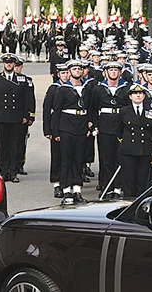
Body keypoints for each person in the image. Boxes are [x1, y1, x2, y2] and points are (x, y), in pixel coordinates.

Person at [51, 59, 92, 205]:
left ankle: (77, 189)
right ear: (69, 72)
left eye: (79, 69)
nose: (77, 72)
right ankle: (67, 189)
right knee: (66, 159)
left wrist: (89, 126)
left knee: (78, 159)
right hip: (66, 126)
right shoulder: (62, 90)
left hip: (81, 126)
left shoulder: (86, 89)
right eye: (74, 69)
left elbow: (90, 109)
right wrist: (55, 131)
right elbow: (56, 111)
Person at [115, 83, 152, 198]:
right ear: (130, 96)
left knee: (142, 182)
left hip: (144, 151)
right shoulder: (124, 111)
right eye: (135, 93)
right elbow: (118, 130)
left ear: (144, 96)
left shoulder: (150, 112)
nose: (138, 95)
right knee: (129, 182)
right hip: (128, 152)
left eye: (140, 93)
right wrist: (125, 142)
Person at [0, 53, 30, 183]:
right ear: (4, 64)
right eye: (7, 63)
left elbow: (26, 99)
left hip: (16, 117)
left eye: (11, 63)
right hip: (1, 116)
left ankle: (13, 173)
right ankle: (3, 172)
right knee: (2, 146)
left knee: (14, 146)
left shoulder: (21, 80)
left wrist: (26, 115)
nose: (9, 65)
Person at [91, 61, 129, 194]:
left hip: (121, 126)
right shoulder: (98, 89)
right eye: (110, 70)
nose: (113, 72)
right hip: (105, 125)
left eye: (116, 70)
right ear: (105, 72)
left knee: (120, 157)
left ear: (120, 72)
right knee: (106, 158)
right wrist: (95, 125)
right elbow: (93, 108)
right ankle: (107, 186)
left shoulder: (126, 88)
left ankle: (118, 187)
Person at [43, 62, 70, 198]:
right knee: (57, 156)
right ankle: (57, 183)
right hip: (56, 126)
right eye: (63, 73)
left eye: (67, 73)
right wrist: (48, 130)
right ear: (58, 75)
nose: (65, 75)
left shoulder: (73, 87)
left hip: (69, 127)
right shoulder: (54, 88)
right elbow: (47, 109)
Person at [14, 56, 35, 176]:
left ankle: (20, 163)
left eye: (18, 66)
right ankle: (11, 163)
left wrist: (31, 115)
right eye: (15, 66)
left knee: (22, 141)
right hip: (11, 116)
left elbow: (30, 99)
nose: (16, 68)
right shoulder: (8, 80)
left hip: (23, 116)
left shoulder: (27, 80)